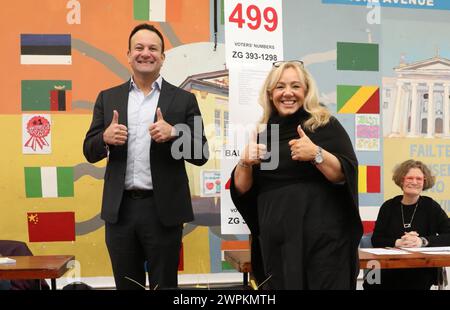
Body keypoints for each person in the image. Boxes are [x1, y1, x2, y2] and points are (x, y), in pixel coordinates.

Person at [83, 23, 209, 289]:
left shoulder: (183, 100)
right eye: (138, 48)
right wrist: (104, 139)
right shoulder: (108, 98)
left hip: (162, 210)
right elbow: (89, 149)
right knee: (127, 285)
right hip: (120, 211)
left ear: (163, 57)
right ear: (128, 55)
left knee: (165, 284)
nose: (146, 53)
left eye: (153, 48)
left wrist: (175, 132)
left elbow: (202, 153)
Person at [230, 61, 363, 289]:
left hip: (323, 243)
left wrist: (316, 154)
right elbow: (243, 191)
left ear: (306, 91)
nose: (288, 93)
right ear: (271, 94)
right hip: (279, 244)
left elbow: (344, 174)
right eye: (280, 87)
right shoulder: (264, 132)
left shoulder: (323, 124)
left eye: (295, 86)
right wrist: (244, 162)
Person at [364, 160, 450, 290]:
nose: (414, 182)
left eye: (419, 179)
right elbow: (376, 239)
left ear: (424, 182)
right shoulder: (388, 207)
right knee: (372, 283)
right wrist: (398, 242)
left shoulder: (431, 206)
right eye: (410, 177)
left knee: (414, 281)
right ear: (401, 180)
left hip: (420, 268)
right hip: (386, 268)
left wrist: (422, 241)